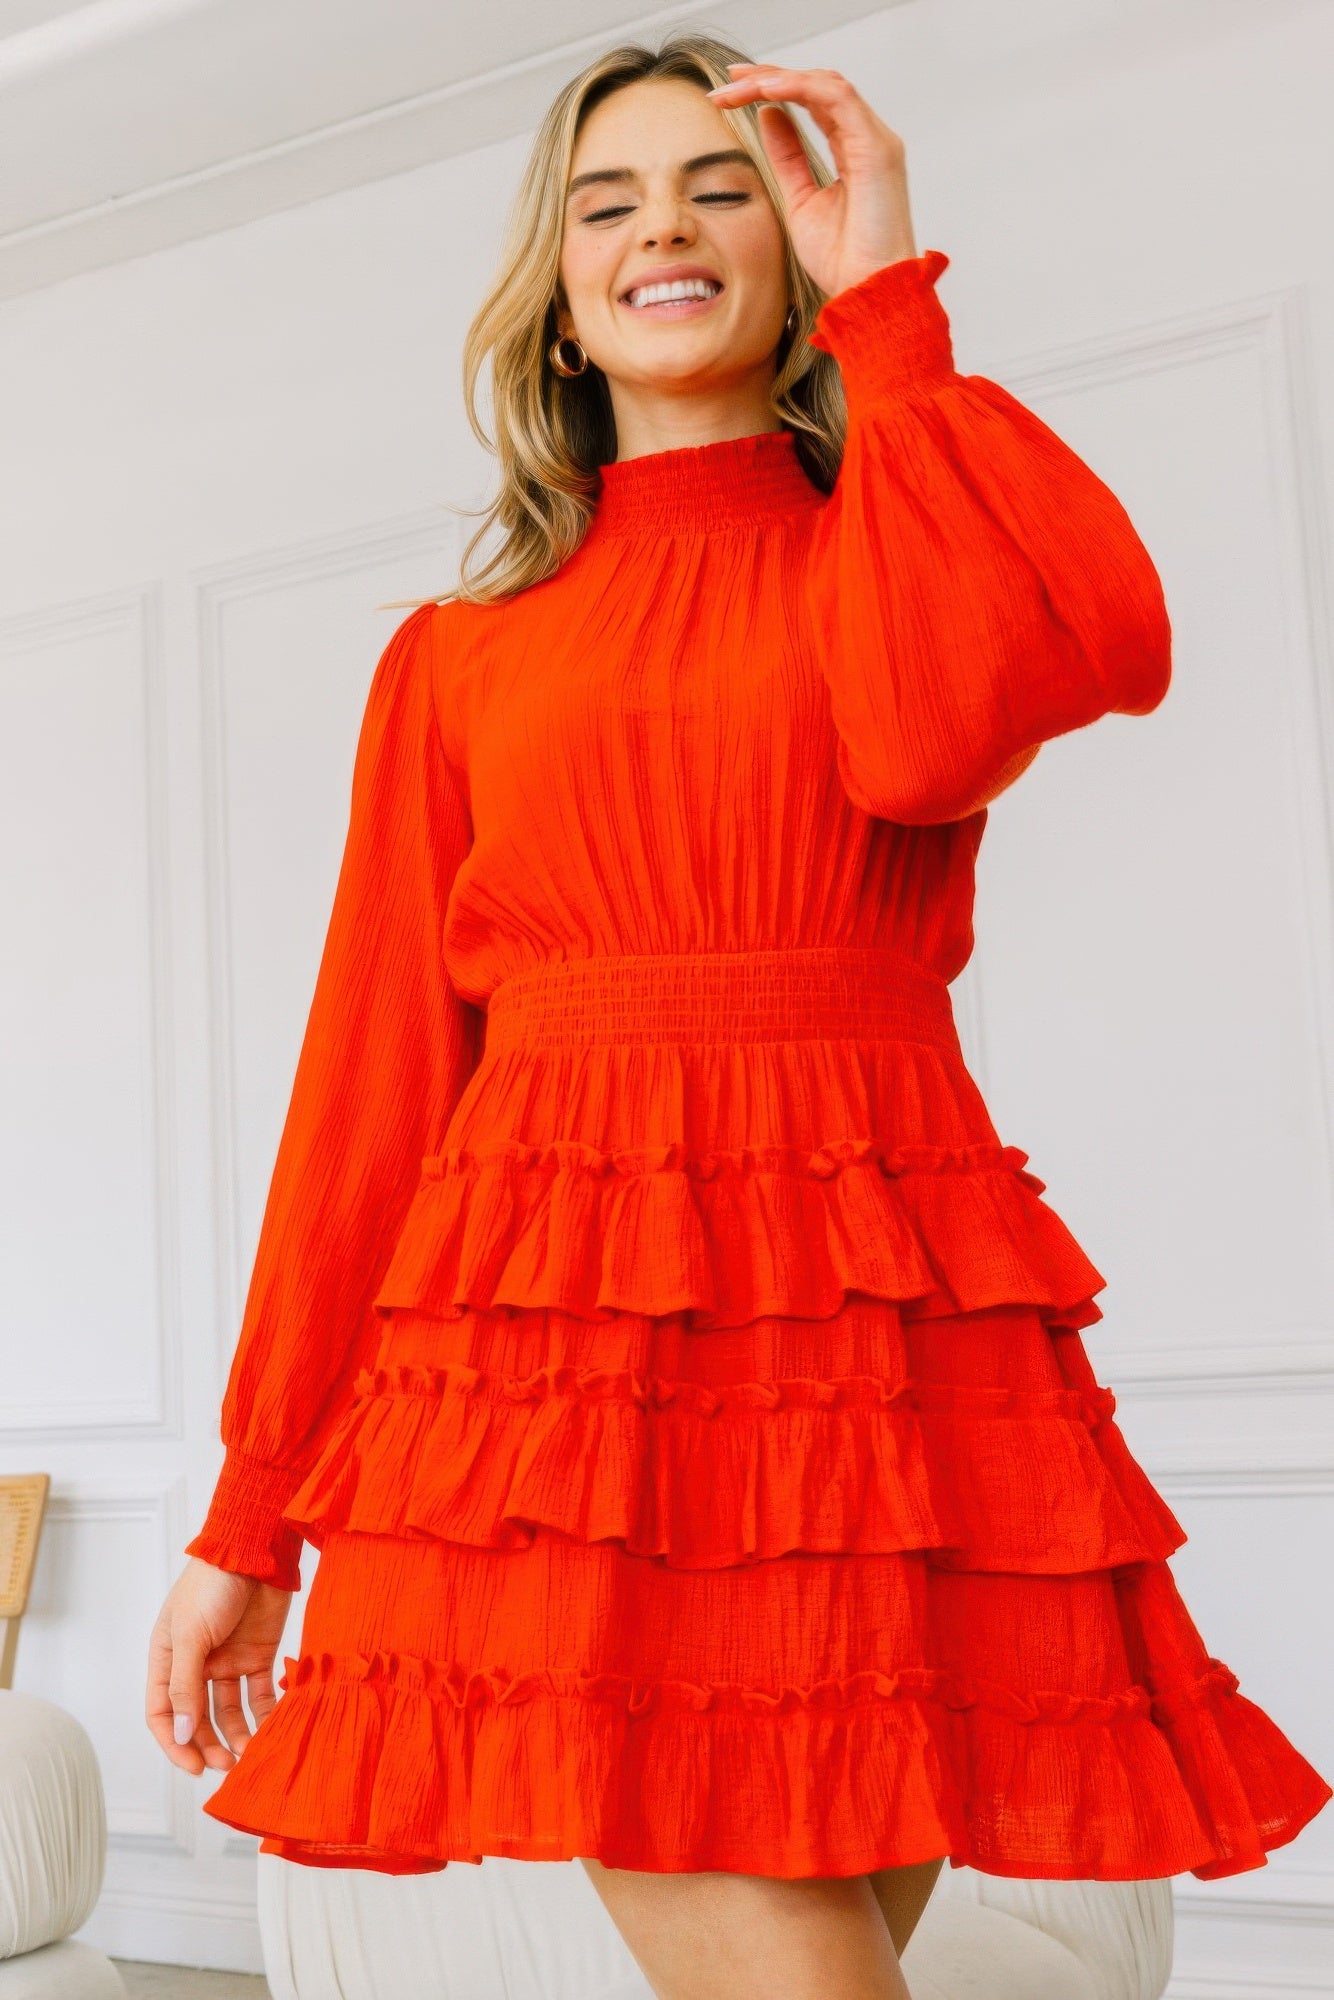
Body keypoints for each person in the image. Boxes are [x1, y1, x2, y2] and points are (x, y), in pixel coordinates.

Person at [146, 31, 1331, 1999]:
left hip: (861, 1359)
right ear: (555, 290)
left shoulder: (889, 554)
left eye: (723, 185)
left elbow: (1064, 659)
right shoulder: (456, 664)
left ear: (785, 252)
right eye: (606, 203)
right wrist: (251, 1515)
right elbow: (368, 1096)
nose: (664, 230)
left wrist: (890, 297)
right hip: (556, 1368)